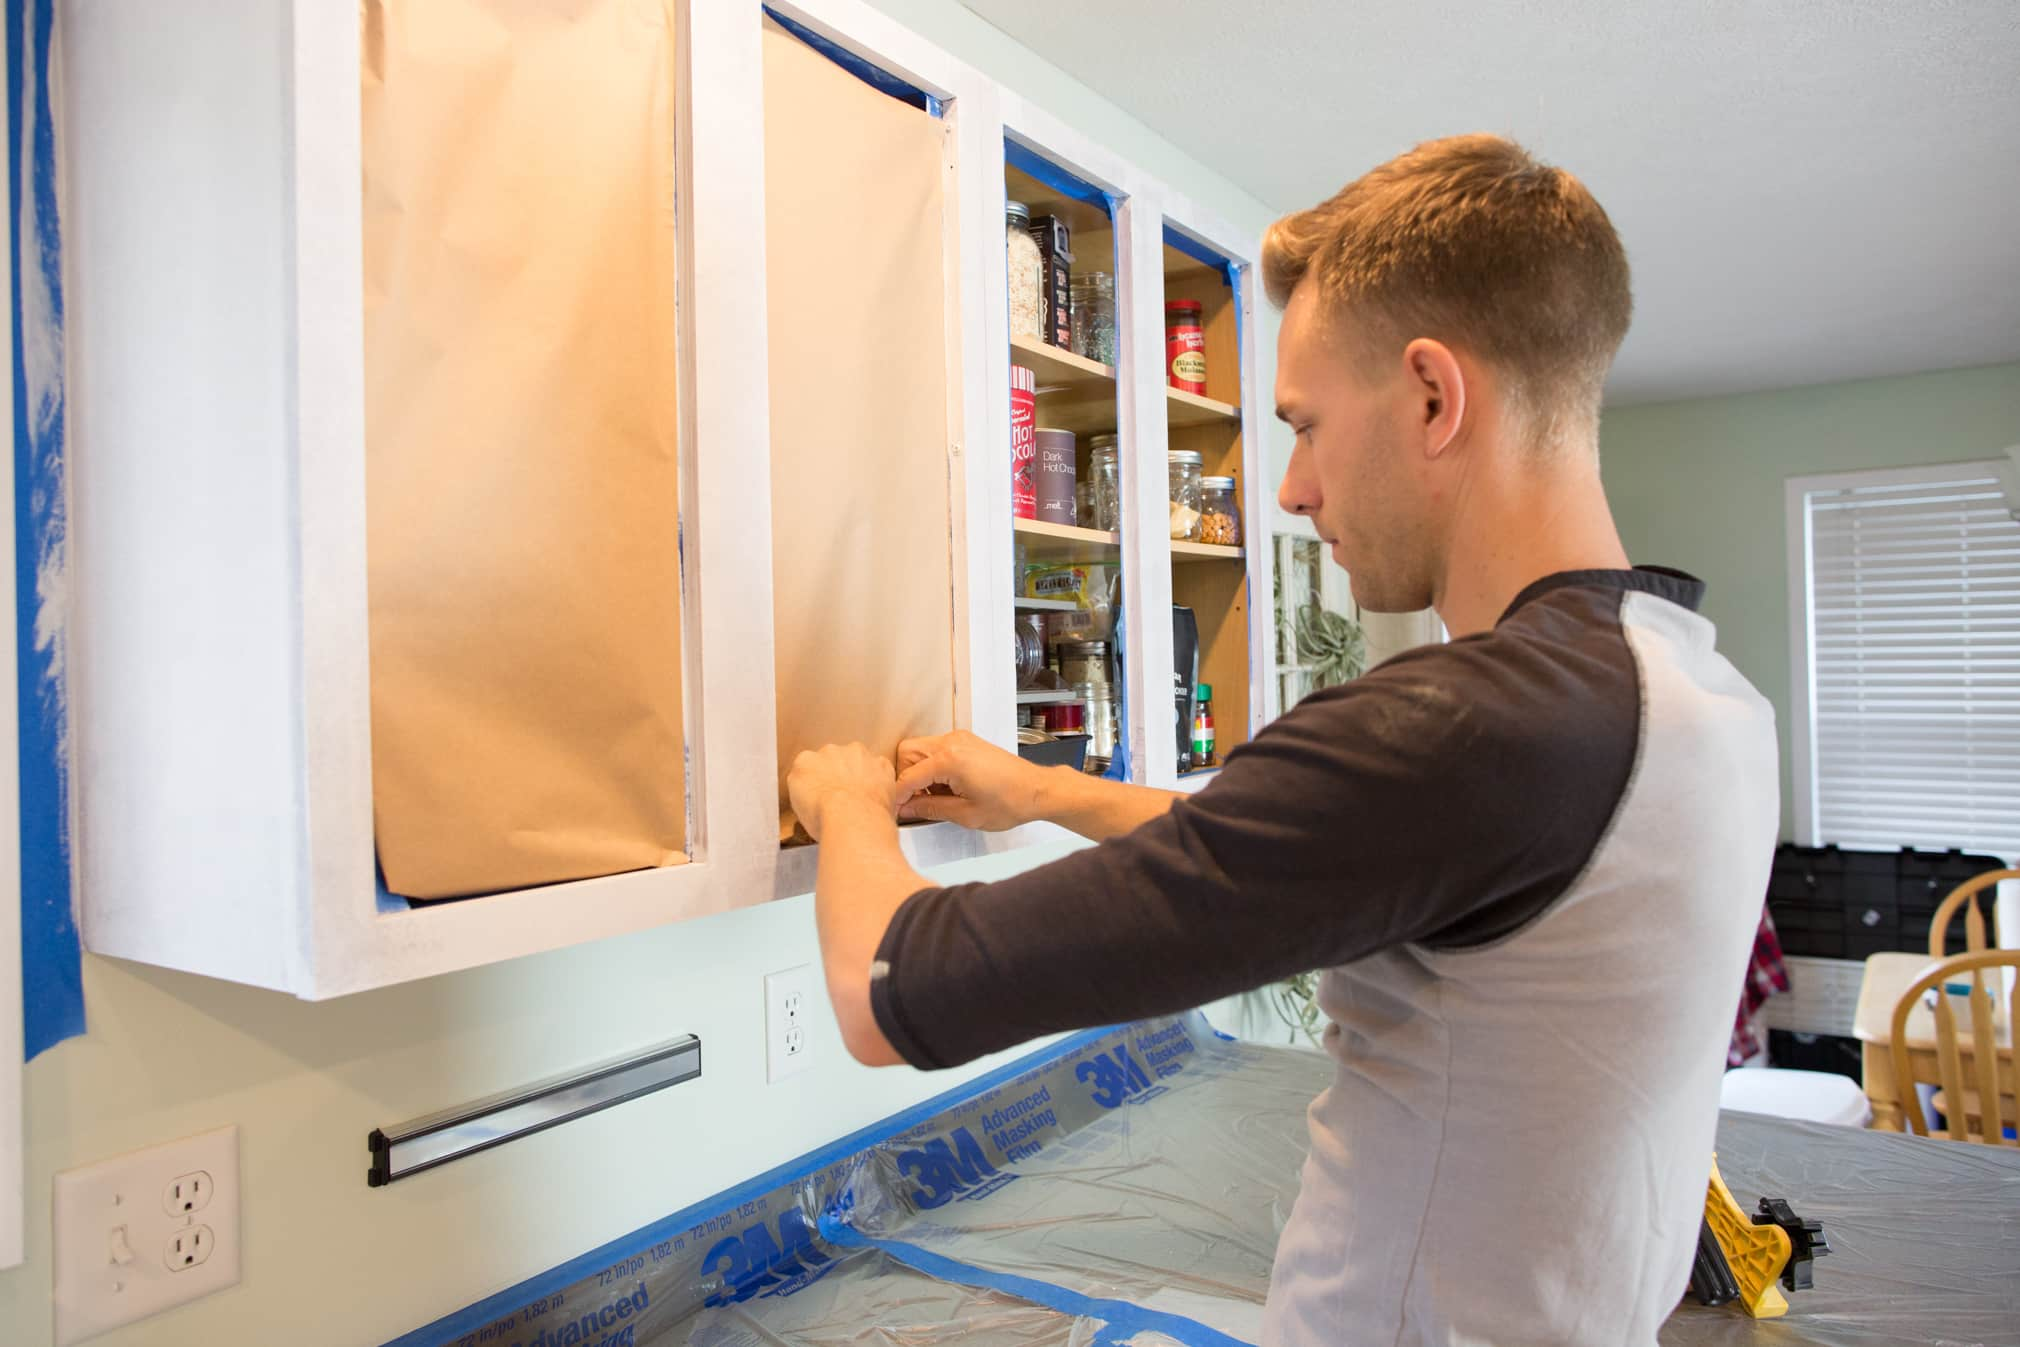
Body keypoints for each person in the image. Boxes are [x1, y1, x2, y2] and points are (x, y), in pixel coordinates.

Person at [785, 134, 1779, 1347]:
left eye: (1304, 425)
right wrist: (1046, 792)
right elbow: (1331, 853)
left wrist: (841, 799)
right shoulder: (1688, 688)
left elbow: (888, 988)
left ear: (1430, 395)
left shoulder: (1466, 729)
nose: (1292, 488)